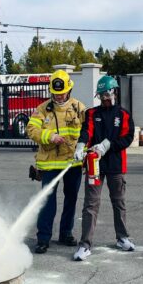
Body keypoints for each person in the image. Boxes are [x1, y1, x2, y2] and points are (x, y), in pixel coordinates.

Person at [73, 75, 136, 261]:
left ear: (114, 92)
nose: (105, 98)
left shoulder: (124, 115)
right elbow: (87, 131)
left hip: (116, 165)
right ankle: (85, 245)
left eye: (108, 94)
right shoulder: (92, 114)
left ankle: (122, 237)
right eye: (102, 95)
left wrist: (107, 145)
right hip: (94, 164)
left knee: (119, 202)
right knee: (91, 204)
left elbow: (127, 137)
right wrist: (80, 145)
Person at [26, 69, 86, 254]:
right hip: (49, 164)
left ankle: (66, 233)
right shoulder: (43, 109)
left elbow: (88, 130)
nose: (58, 97)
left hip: (72, 163)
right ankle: (43, 238)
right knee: (47, 201)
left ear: (69, 90)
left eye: (61, 94)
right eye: (55, 94)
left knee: (71, 199)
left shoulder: (79, 108)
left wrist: (82, 147)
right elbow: (31, 130)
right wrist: (49, 136)